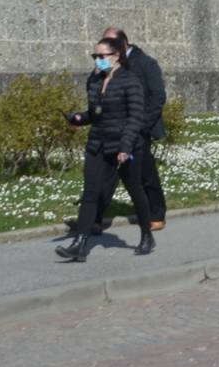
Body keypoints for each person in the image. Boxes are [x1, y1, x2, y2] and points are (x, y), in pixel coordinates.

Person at [55, 35, 151, 262]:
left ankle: (146, 234)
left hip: (123, 146)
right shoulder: (95, 80)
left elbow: (135, 117)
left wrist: (126, 147)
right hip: (97, 144)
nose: (97, 60)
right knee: (90, 193)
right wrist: (79, 118)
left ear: (116, 56)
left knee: (135, 190)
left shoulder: (130, 81)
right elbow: (95, 113)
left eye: (102, 56)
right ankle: (79, 244)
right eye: (95, 56)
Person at [103, 27, 167, 233]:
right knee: (107, 174)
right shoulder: (109, 64)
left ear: (122, 44)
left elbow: (157, 97)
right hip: (115, 128)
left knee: (145, 173)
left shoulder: (146, 63)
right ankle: (93, 218)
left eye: (110, 44)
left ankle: (156, 214)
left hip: (139, 129)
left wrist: (142, 126)